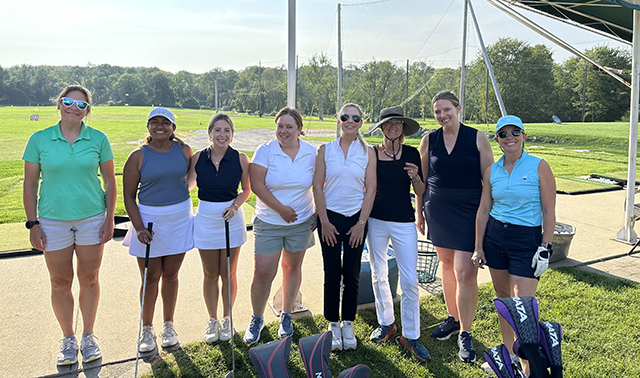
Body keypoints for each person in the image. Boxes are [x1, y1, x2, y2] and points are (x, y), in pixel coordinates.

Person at [22, 85, 116, 365]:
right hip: (52, 220)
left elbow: (110, 181)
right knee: (60, 281)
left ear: (88, 110)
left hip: (91, 219)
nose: (73, 107)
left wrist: (109, 218)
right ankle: (68, 338)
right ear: (59, 104)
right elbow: (29, 184)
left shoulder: (98, 139)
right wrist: (32, 224)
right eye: (68, 101)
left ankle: (88, 336)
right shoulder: (39, 139)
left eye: (81, 104)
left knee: (89, 278)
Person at [472, 115, 556, 375]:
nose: (510, 138)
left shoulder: (539, 166)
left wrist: (546, 246)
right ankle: (509, 357)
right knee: (504, 300)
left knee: (523, 305)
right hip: (495, 238)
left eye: (515, 132)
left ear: (524, 135)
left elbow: (549, 210)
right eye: (503, 134)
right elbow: (484, 209)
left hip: (526, 239)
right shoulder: (492, 170)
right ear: (496, 140)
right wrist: (479, 247)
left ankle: (529, 366)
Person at [416, 91, 493, 363]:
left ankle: (466, 332)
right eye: (437, 111)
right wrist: (419, 212)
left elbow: (489, 179)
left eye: (446, 109)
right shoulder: (429, 140)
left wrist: (486, 213)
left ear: (458, 108)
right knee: (447, 267)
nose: (442, 115)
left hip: (469, 212)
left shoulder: (478, 137)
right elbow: (421, 182)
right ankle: (452, 317)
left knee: (464, 270)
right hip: (437, 211)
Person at [122, 107, 193, 353]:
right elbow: (129, 196)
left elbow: (189, 181)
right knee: (150, 277)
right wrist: (138, 227)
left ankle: (169, 326)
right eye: (155, 122)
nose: (160, 126)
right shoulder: (137, 156)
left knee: (171, 275)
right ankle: (146, 328)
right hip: (149, 222)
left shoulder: (184, 151)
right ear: (148, 126)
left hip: (179, 220)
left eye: (166, 122)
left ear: (173, 127)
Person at [244, 107, 316, 345]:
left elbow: (321, 183)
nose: (283, 131)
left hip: (301, 221)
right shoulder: (265, 151)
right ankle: (257, 318)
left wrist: (318, 212)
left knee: (292, 268)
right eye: (280, 126)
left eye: (289, 127)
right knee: (263, 272)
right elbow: (257, 185)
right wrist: (281, 209)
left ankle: (286, 313)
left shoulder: (311, 152)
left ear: (299, 130)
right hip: (269, 221)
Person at [366, 106, 430, 362]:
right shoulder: (372, 153)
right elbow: (365, 187)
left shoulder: (413, 153)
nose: (393, 127)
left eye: (398, 123)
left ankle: (411, 335)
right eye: (388, 123)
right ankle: (387, 323)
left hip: (404, 222)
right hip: (376, 220)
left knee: (410, 279)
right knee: (378, 274)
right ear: (381, 127)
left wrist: (415, 177)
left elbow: (421, 189)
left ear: (403, 128)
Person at [313, 103, 376, 352]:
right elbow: (317, 186)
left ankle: (348, 322)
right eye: (345, 117)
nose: (350, 120)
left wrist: (361, 224)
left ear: (361, 122)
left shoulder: (368, 151)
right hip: (330, 218)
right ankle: (332, 322)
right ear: (338, 120)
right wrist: (324, 221)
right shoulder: (324, 150)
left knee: (351, 273)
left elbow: (371, 190)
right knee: (332, 272)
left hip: (356, 220)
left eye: (356, 118)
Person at [187, 113, 251, 343]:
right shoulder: (197, 158)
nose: (222, 135)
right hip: (205, 218)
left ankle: (227, 318)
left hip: (231, 218)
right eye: (217, 130)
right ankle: (212, 320)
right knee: (210, 273)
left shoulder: (241, 158)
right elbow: (188, 185)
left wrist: (234, 207)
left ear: (232, 135)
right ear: (210, 133)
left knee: (228, 272)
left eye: (227, 130)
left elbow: (246, 190)